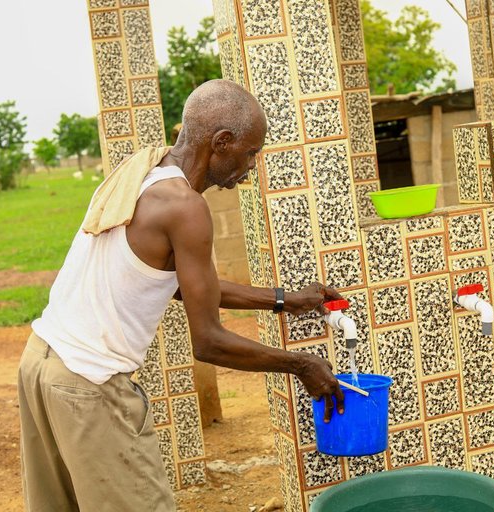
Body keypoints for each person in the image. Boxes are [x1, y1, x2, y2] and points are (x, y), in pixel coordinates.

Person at [17, 79, 345, 512]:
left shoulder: (142, 176)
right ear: (221, 143)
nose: (252, 166)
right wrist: (302, 364)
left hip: (41, 365)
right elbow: (208, 341)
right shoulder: (186, 207)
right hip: (89, 384)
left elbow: (182, 285)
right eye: (250, 153)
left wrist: (284, 299)